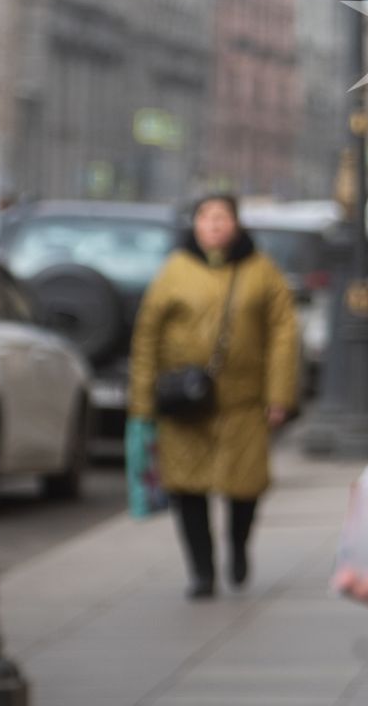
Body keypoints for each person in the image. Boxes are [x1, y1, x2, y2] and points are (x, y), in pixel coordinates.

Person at [128, 193, 301, 601]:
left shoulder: (262, 272)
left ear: (237, 223)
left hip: (243, 403)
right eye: (205, 217)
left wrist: (279, 395)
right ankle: (202, 571)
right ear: (195, 225)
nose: (214, 225)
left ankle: (238, 547)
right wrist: (142, 402)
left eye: (222, 217)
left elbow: (283, 335)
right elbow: (147, 336)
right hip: (184, 405)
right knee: (187, 489)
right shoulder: (175, 271)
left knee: (245, 486)